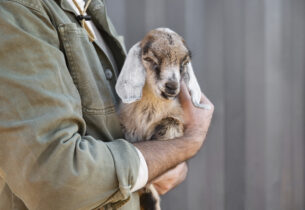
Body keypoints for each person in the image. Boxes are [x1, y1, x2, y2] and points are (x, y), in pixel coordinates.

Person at [0, 0, 214, 209]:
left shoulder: (89, 9)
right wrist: (189, 141)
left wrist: (162, 159)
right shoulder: (19, 10)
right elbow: (56, 179)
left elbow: (111, 133)